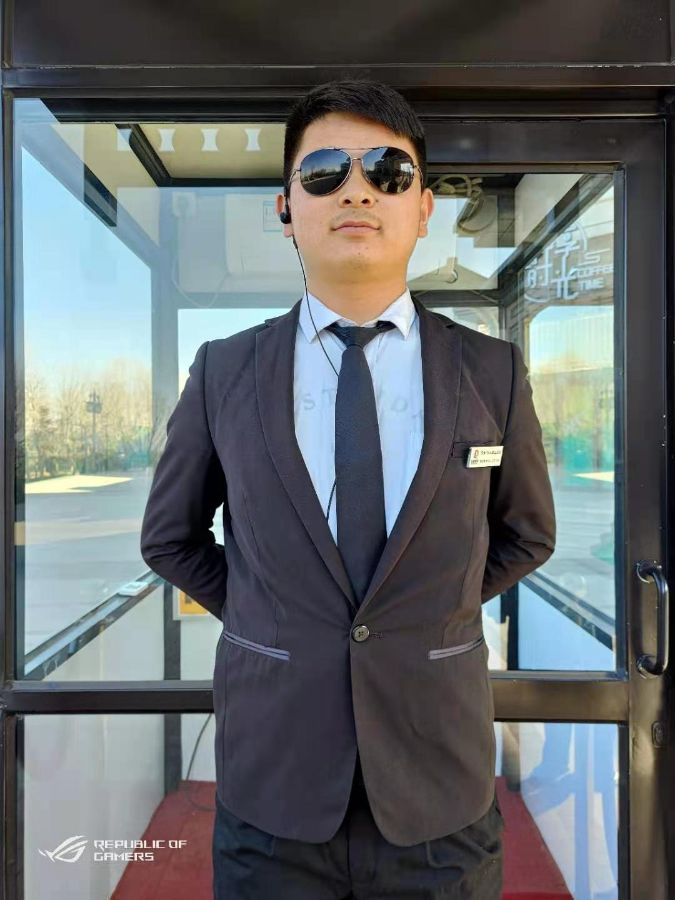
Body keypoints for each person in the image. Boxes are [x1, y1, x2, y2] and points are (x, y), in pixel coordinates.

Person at [140, 78, 556, 899]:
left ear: (423, 207)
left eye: (388, 172)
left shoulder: (490, 370)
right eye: (325, 170)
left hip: (438, 792)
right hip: (274, 789)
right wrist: (268, 610)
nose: (357, 190)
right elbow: (170, 539)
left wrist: (430, 608)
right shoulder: (225, 370)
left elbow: (526, 534)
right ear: (286, 206)